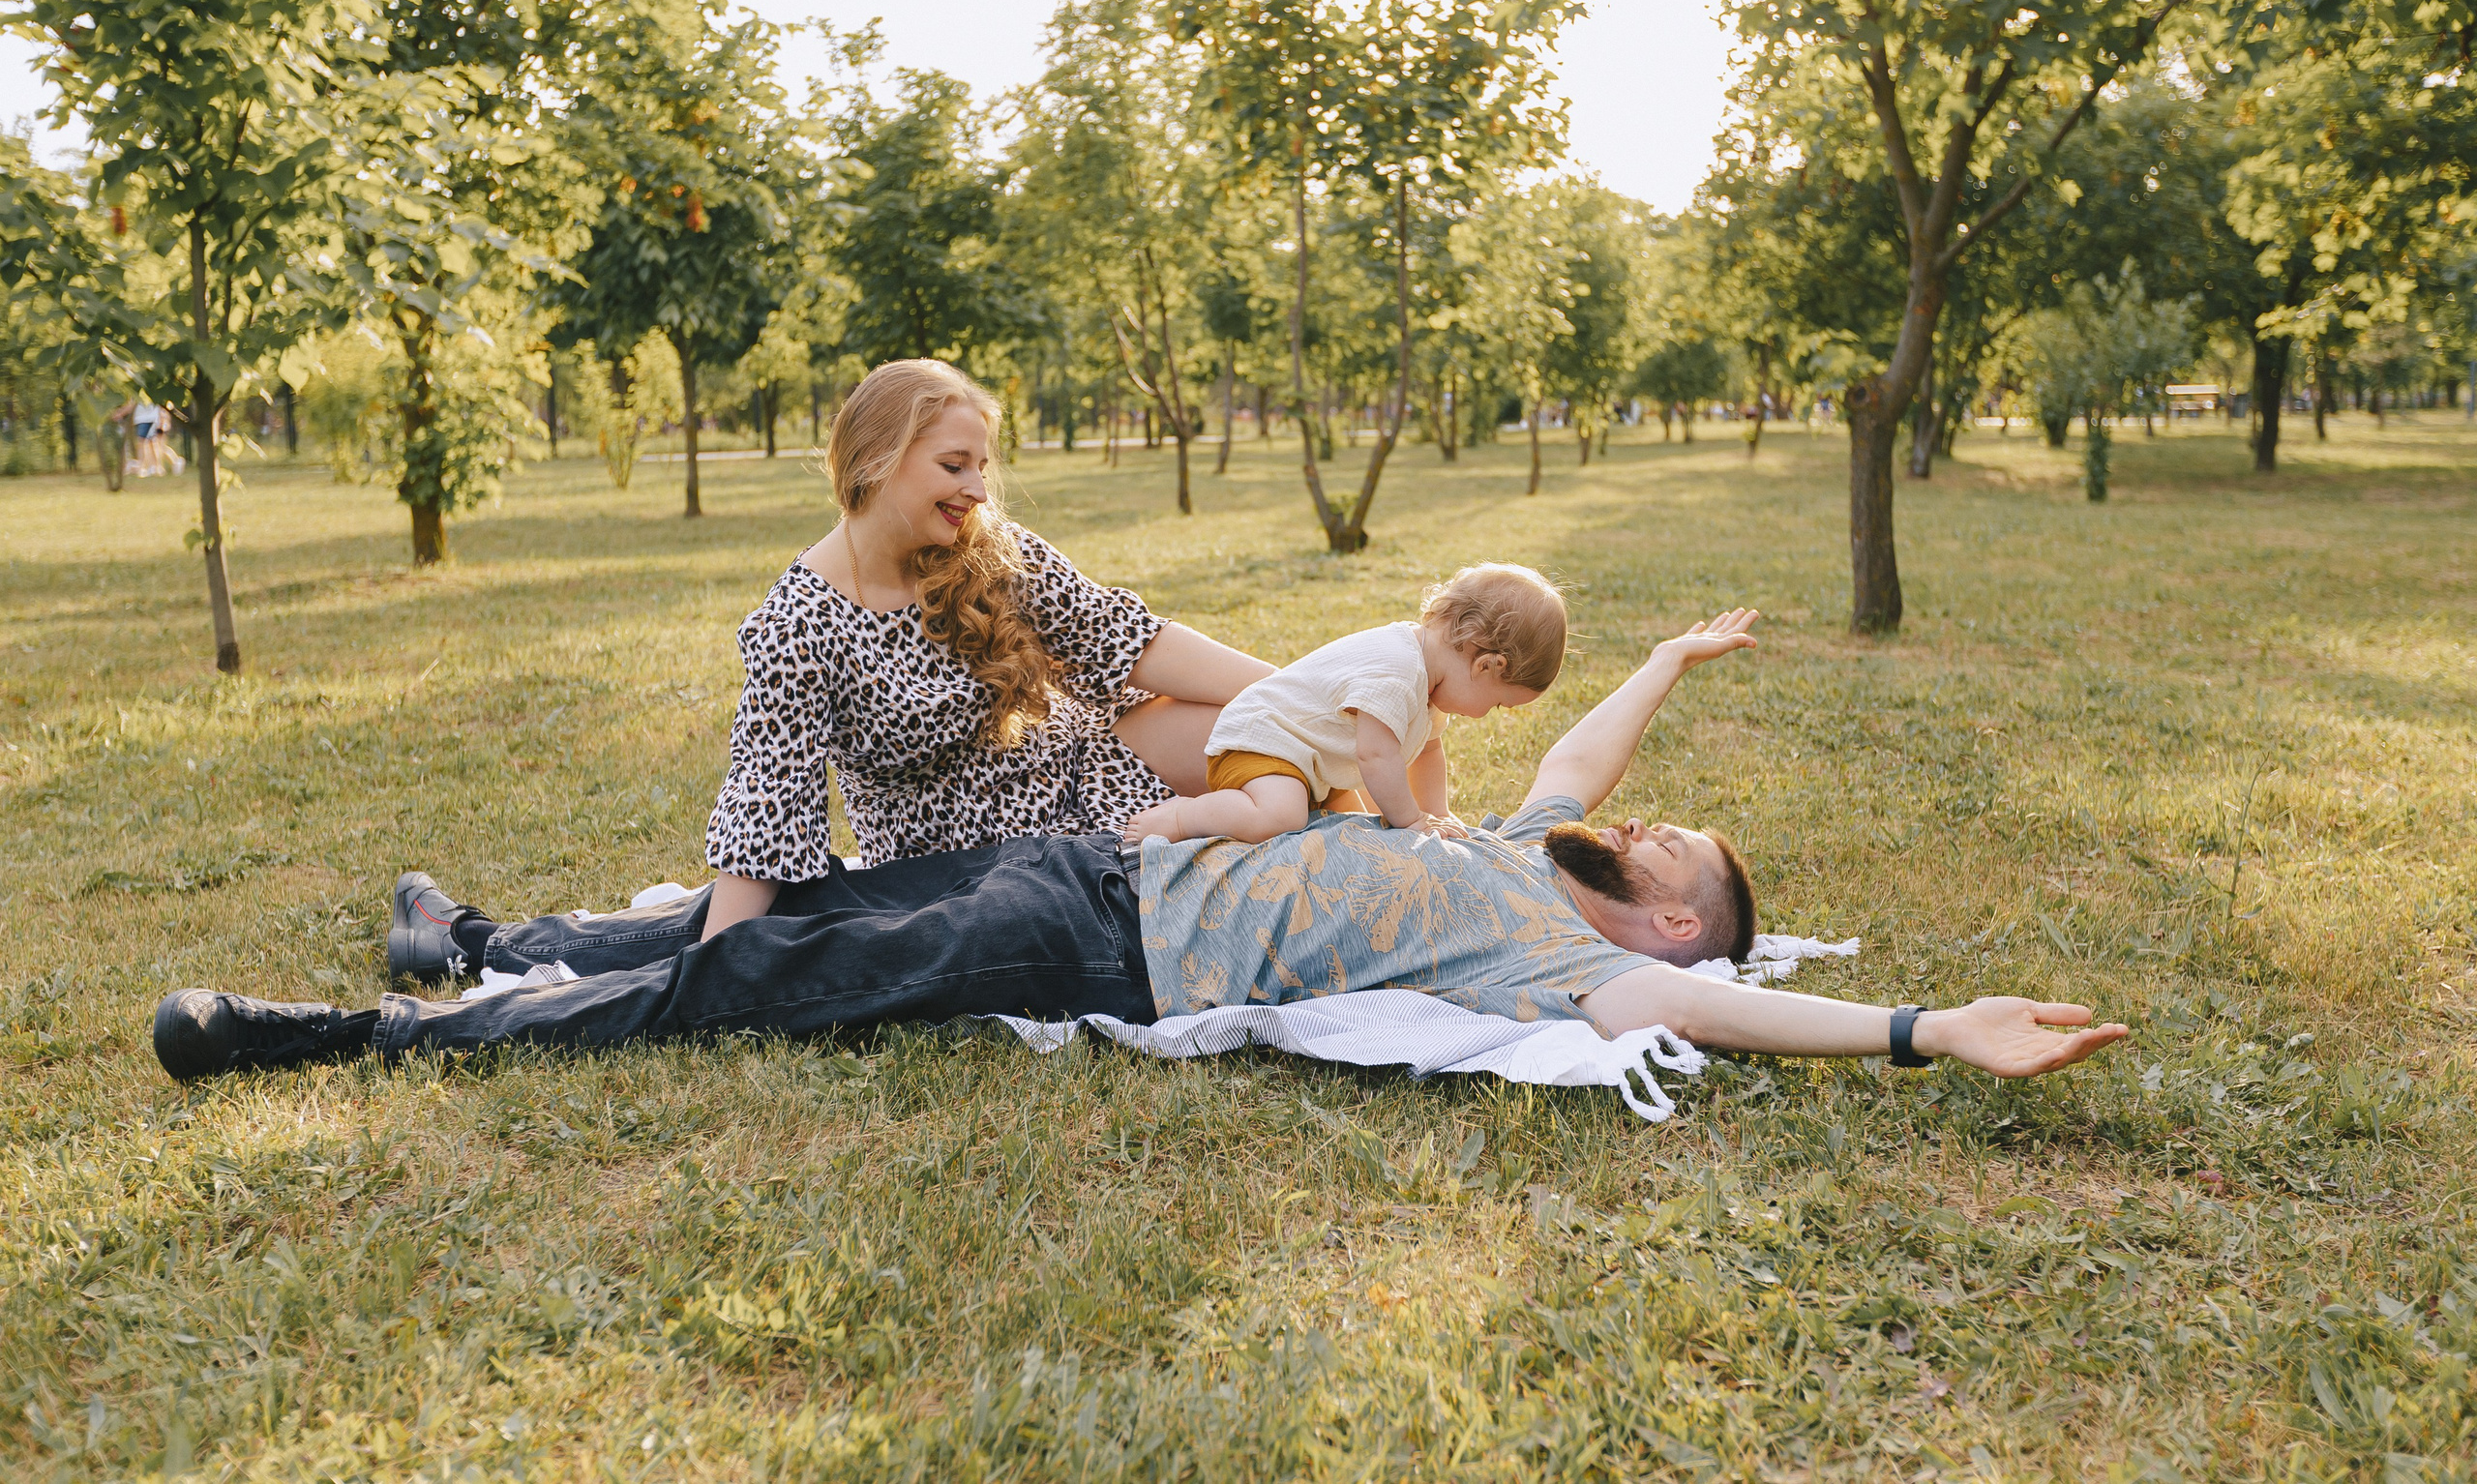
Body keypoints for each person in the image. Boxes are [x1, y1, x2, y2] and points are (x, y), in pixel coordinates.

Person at [151, 608, 2129, 1084]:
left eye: (1685, 844)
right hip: (1107, 866)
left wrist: (1918, 1028)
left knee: (752, 980)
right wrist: (1671, 662)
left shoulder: (1569, 957)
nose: (1658, 821)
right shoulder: (1533, 841)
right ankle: (485, 936)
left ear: (1679, 916)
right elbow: (1594, 738)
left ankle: (350, 1036)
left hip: (1110, 958)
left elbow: (1726, 1008)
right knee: (800, 896)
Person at [697, 358, 1272, 943]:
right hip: (974, 865)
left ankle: (1360, 869)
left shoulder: (989, 548)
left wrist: (1305, 690)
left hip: (1086, 769)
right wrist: (712, 962)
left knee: (1271, 730)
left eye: (980, 466)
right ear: (877, 458)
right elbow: (765, 806)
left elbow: (1126, 637)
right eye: (954, 465)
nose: (977, 490)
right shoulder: (797, 623)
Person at [1123, 562, 1566, 846]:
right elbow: (1376, 756)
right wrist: (1411, 822)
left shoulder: (1430, 687)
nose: (1487, 715)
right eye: (1498, 705)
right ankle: (1182, 816)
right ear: (1487, 665)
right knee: (1280, 816)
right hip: (1267, 741)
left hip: (1314, 763)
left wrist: (1438, 813)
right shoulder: (1398, 671)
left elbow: (1428, 752)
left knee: (1356, 839)